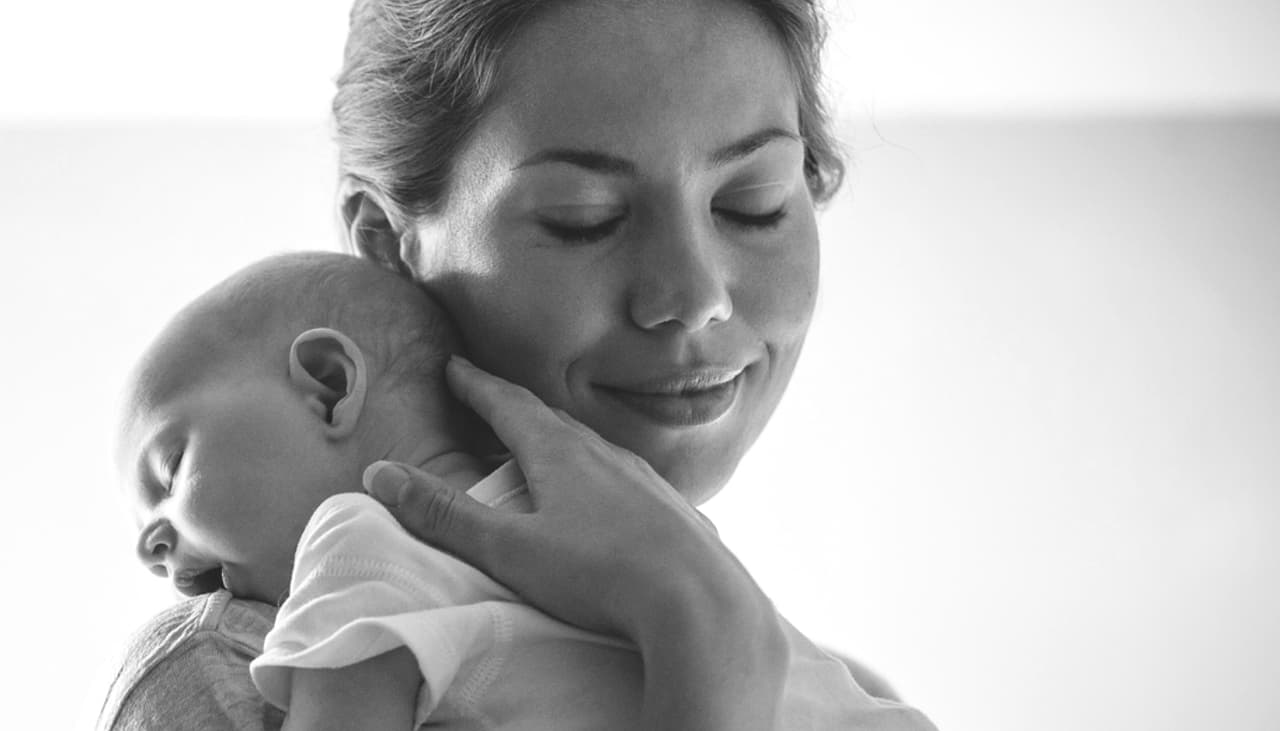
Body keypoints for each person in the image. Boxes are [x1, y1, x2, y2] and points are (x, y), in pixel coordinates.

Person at [96, 1, 938, 729]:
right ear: (390, 245)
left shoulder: (851, 697)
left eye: (752, 203)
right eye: (585, 217)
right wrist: (709, 651)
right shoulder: (229, 670)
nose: (692, 295)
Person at [115, 251, 924, 730]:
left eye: (170, 469)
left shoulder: (359, 542)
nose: (150, 543)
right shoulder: (650, 539)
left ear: (328, 386)